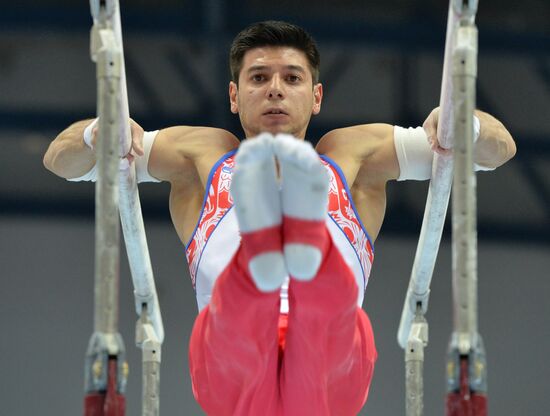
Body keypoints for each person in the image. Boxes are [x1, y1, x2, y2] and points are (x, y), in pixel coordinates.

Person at [43, 21, 516, 415]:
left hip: (304, 361)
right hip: (243, 358)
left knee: (322, 322)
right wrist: (96, 133)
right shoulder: (200, 154)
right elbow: (59, 162)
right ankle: (286, 247)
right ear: (234, 94)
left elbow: (498, 149)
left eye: (291, 78)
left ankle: (277, 249)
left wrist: (460, 123)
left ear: (316, 96)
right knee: (260, 328)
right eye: (258, 78)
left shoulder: (353, 154)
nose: (274, 89)